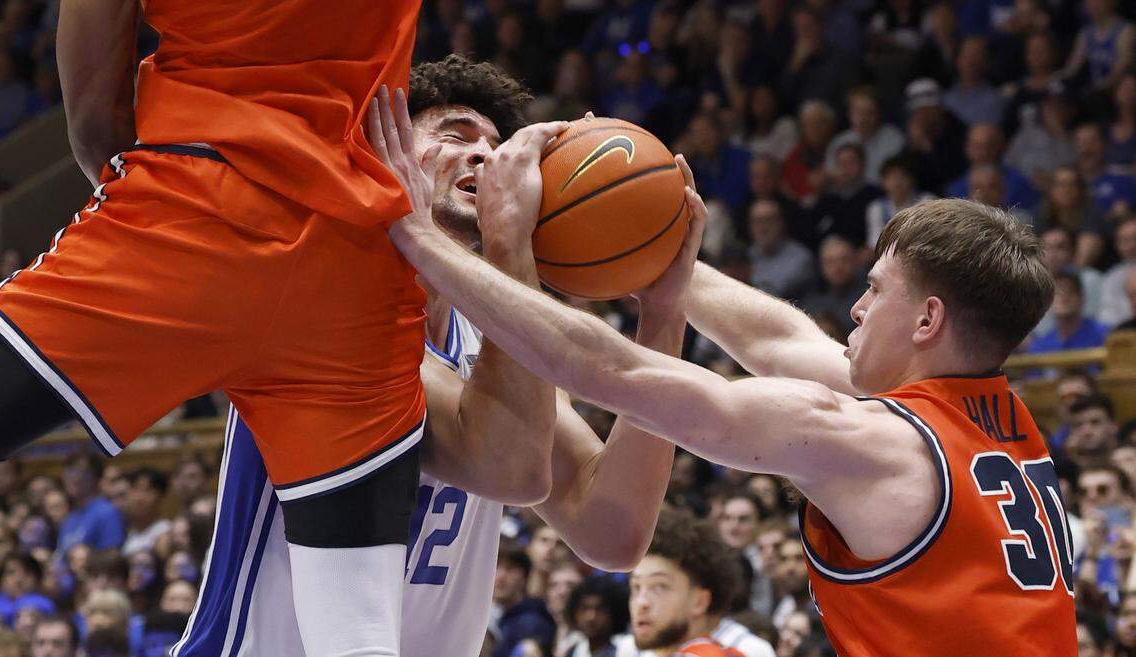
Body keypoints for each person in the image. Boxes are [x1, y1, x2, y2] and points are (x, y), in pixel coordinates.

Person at [379, 75, 1075, 653]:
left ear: (927, 321)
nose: (854, 310)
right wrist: (647, 238)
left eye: (872, 290)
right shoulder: (988, 423)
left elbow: (612, 376)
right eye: (455, 136)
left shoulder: (870, 438)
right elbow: (778, 340)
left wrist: (424, 231)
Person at [176, 57, 679, 657]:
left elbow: (612, 529)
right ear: (383, 155)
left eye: (496, 145)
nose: (486, 157)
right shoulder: (325, 311)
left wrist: (663, 314)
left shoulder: (486, 344)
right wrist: (509, 245)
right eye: (455, 135)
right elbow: (511, 466)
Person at [0, 0, 429, 651]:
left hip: (191, 202)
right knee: (359, 630)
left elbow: (93, 111)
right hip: (356, 259)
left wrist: (160, 227)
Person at [612, 508, 743, 657]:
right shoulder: (629, 649)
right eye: (636, 587)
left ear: (699, 602)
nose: (642, 602)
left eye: (659, 587)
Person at [54, 451, 124, 555]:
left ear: (96, 477)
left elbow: (112, 555)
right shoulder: (70, 517)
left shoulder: (107, 512)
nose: (75, 478)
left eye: (82, 472)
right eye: (71, 471)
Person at [563, 577, 629, 657]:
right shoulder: (572, 652)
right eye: (585, 608)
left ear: (614, 613)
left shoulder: (625, 652)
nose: (591, 617)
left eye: (599, 609)